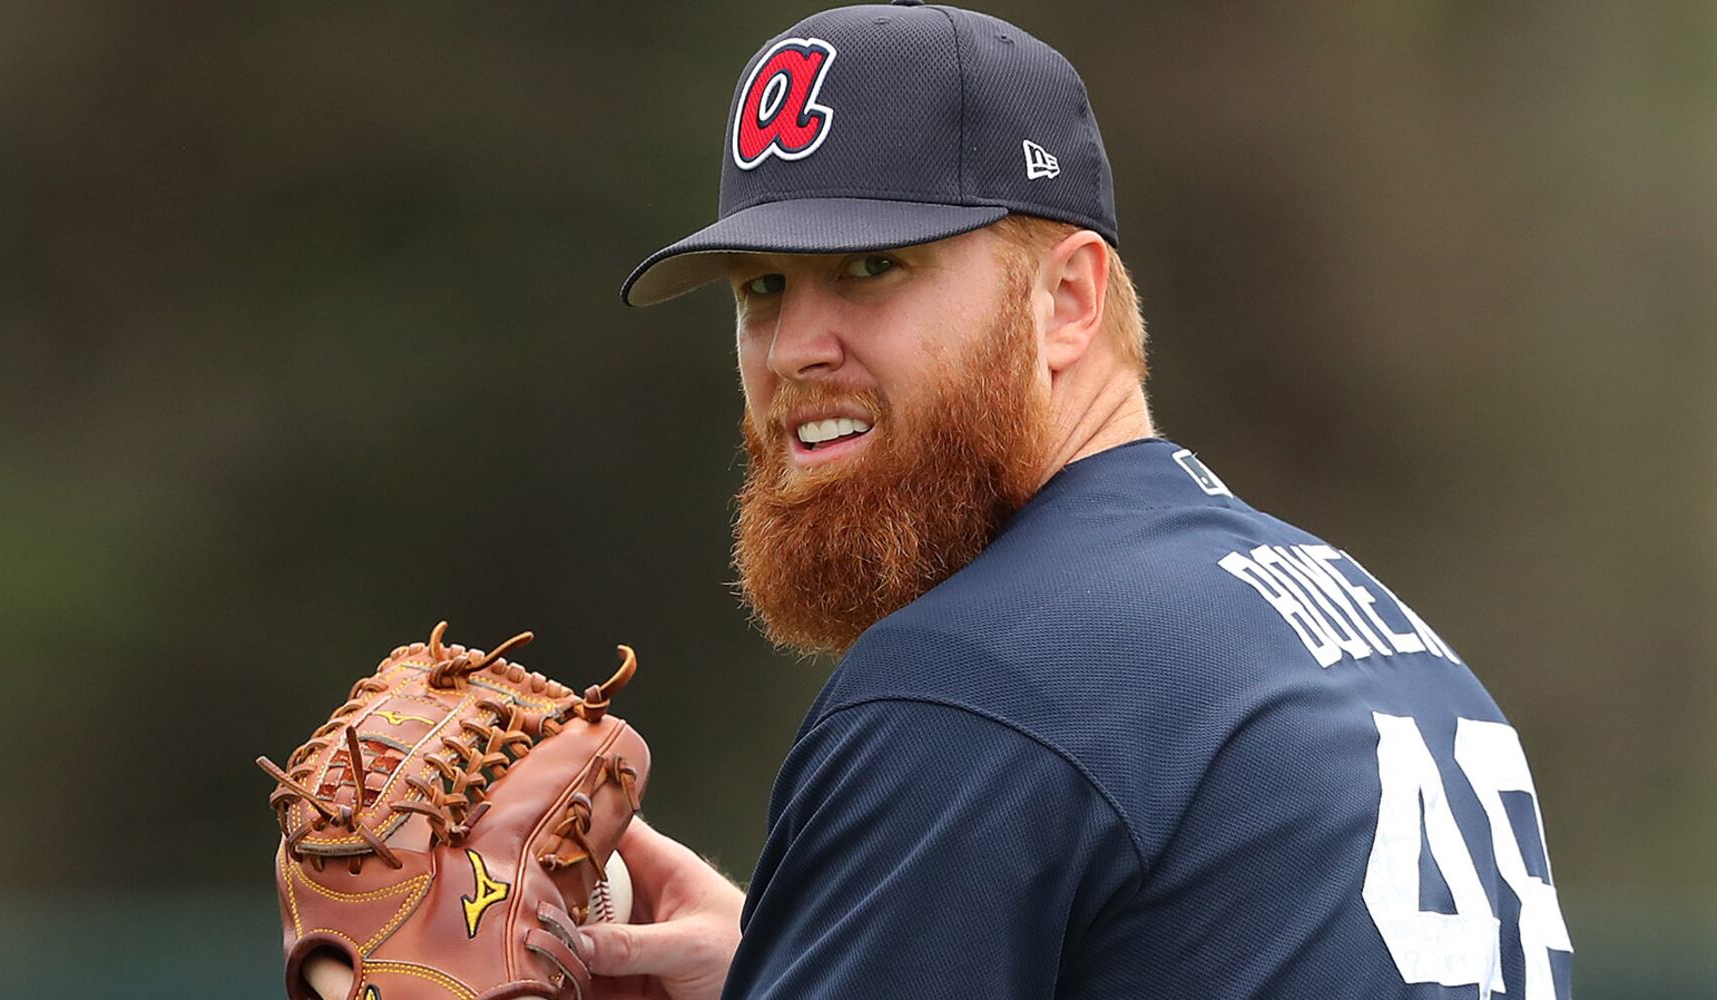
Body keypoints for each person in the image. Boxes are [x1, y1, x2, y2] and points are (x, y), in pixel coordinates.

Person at [582, 3, 1574, 998]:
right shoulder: (1384, 640)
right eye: (761, 285)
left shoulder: (968, 681)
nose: (795, 345)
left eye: (871, 267)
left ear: (1064, 300)